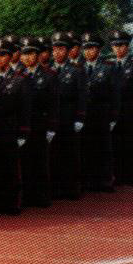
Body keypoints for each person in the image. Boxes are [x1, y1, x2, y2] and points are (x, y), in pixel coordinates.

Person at [0, 38, 30, 215]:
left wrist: (23, 132)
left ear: (11, 57)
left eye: (3, 55)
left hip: (10, 128)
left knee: (11, 167)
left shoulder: (20, 79)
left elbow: (25, 108)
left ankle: (13, 203)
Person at [18, 37, 58, 208]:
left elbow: (54, 103)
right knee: (24, 161)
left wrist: (52, 127)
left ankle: (41, 196)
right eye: (24, 53)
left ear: (38, 54)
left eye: (31, 53)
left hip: (40, 123)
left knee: (40, 160)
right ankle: (26, 195)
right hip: (22, 124)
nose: (27, 57)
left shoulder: (49, 75)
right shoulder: (18, 75)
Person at [80, 32, 119, 192]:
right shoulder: (78, 67)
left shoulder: (109, 67)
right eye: (86, 48)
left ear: (99, 49)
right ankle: (88, 180)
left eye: (92, 48)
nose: (88, 51)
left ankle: (105, 180)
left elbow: (115, 93)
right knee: (86, 146)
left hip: (102, 111)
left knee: (103, 147)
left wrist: (114, 116)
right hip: (84, 112)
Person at [50, 32, 87, 200]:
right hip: (53, 118)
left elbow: (82, 95)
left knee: (70, 154)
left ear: (68, 50)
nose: (57, 52)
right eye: (55, 49)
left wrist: (80, 118)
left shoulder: (77, 70)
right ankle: (56, 188)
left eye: (61, 49)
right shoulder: (48, 70)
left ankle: (72, 188)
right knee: (54, 153)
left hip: (69, 117)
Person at [110, 30, 133, 186]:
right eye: (115, 46)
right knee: (116, 143)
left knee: (130, 143)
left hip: (130, 111)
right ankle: (119, 175)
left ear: (127, 46)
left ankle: (132, 176)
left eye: (122, 45)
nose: (118, 48)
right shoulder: (110, 66)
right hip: (115, 112)